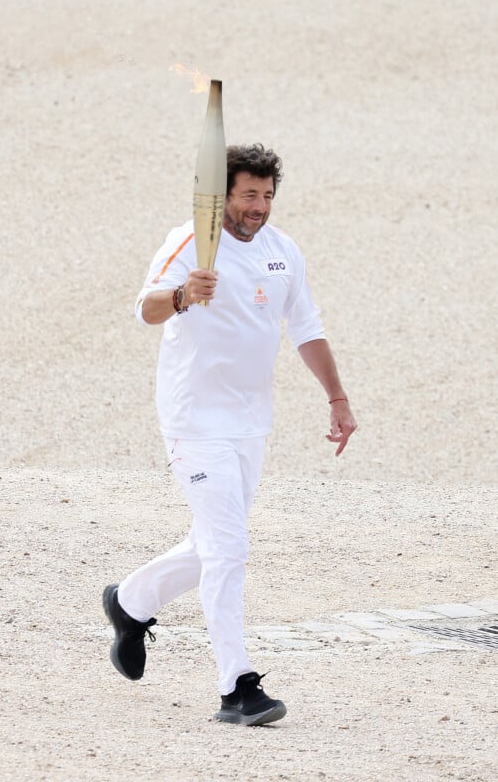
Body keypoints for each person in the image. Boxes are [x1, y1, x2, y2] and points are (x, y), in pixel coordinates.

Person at [103, 143, 357, 726]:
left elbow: (307, 328)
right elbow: (144, 309)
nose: (259, 207)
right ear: (221, 197)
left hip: (250, 423)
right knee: (229, 548)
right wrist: (183, 295)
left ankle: (131, 601)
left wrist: (337, 398)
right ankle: (236, 686)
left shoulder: (283, 251)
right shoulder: (188, 242)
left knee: (214, 543)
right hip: (194, 420)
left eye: (267, 196)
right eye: (248, 195)